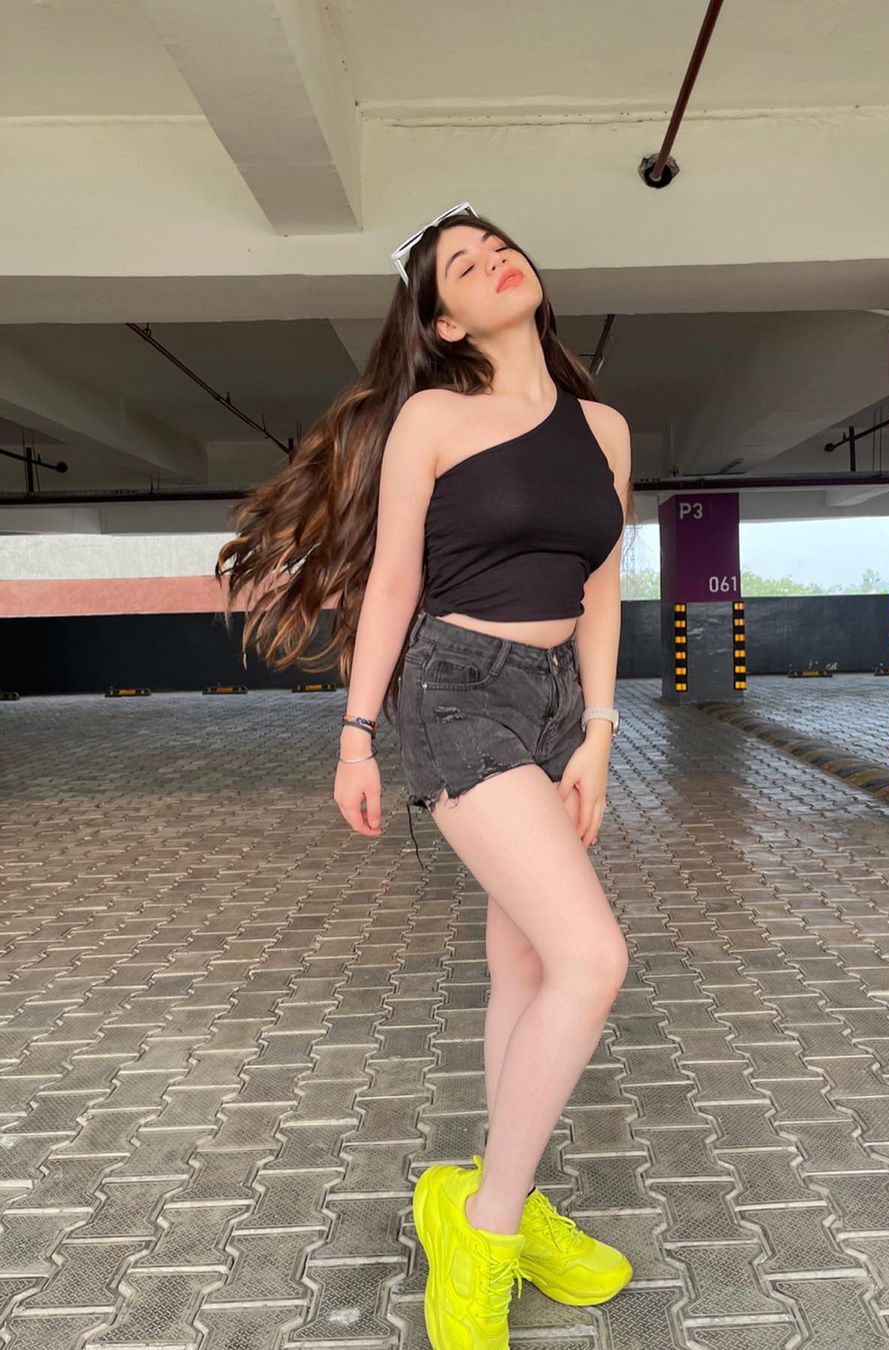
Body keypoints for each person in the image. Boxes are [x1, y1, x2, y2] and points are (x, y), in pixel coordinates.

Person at [215, 201, 636, 1349]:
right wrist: (356, 733)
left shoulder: (603, 429)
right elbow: (394, 583)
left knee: (526, 962)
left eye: (500, 244)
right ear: (443, 319)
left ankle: (501, 1194)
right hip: (457, 689)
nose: (496, 260)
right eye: (463, 262)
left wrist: (600, 731)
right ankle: (482, 1234)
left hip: (555, 702)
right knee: (592, 958)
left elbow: (602, 585)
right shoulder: (432, 420)